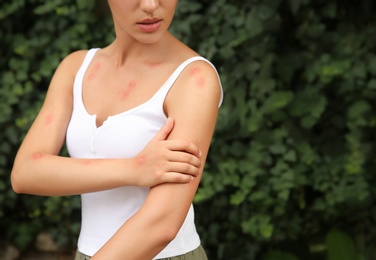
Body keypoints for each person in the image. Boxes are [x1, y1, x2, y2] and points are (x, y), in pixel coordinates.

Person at [11, 0, 223, 259]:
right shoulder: (76, 68)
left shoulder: (194, 80)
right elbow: (25, 173)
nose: (150, 5)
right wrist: (135, 168)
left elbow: (162, 224)